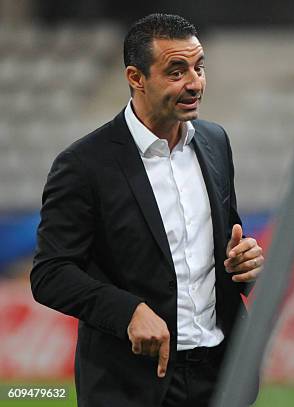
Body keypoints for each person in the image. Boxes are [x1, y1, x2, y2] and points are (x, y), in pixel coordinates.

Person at [30, 13, 263, 407]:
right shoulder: (84, 164)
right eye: (176, 71)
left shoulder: (215, 142)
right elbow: (51, 273)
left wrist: (245, 263)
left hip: (220, 376)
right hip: (132, 383)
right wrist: (128, 311)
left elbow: (226, 238)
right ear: (136, 78)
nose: (195, 83)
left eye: (198, 67)